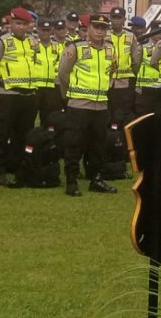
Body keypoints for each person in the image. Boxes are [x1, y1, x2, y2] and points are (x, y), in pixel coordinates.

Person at [58, 14, 118, 196]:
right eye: (96, 27)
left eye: (103, 28)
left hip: (101, 105)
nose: (100, 31)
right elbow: (63, 74)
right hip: (79, 104)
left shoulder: (110, 49)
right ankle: (71, 180)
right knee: (74, 143)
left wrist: (108, 86)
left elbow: (113, 71)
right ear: (88, 28)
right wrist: (70, 95)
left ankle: (96, 178)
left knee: (99, 144)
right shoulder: (75, 47)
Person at [0, 7, 38, 187]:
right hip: (7, 95)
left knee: (23, 135)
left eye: (24, 24)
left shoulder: (32, 42)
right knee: (1, 133)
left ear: (29, 25)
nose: (20, 27)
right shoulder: (0, 42)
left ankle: (17, 168)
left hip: (28, 95)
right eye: (17, 23)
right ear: (11, 23)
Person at [108, 6, 138, 116]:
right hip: (107, 82)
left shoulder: (130, 36)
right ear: (110, 19)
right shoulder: (104, 36)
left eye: (119, 17)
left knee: (123, 114)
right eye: (114, 17)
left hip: (125, 84)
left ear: (124, 20)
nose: (116, 20)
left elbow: (136, 59)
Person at [34, 18, 62, 125]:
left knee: (49, 119)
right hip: (35, 87)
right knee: (29, 117)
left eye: (47, 30)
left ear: (51, 31)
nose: (45, 33)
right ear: (38, 30)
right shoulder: (32, 45)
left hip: (52, 87)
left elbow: (60, 65)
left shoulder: (57, 46)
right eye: (43, 30)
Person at [133, 20, 161, 116]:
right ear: (152, 31)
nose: (160, 34)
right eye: (157, 31)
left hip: (159, 90)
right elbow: (135, 66)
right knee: (143, 117)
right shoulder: (142, 46)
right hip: (143, 90)